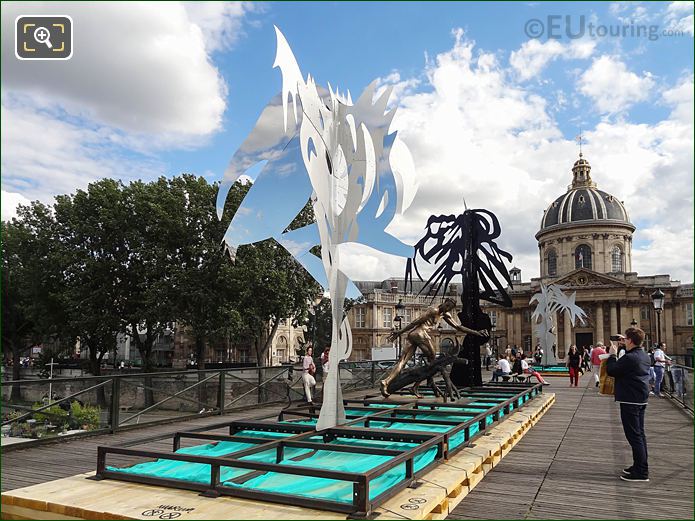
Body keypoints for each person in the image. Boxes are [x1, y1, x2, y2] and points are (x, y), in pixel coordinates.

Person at [380, 298, 487, 397]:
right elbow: (415, 322)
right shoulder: (433, 310)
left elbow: (459, 327)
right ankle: (417, 386)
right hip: (420, 334)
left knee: (403, 361)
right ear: (444, 302)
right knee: (434, 362)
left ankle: (386, 382)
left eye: (450, 308)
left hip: (415, 335)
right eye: (447, 305)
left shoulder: (445, 315)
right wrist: (400, 332)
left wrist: (476, 332)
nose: (447, 308)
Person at [606, 327, 650, 482]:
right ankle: (639, 465)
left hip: (630, 400)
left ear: (630, 340)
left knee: (634, 435)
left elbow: (612, 370)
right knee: (639, 434)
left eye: (625, 338)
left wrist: (612, 354)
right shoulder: (643, 355)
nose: (623, 340)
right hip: (640, 398)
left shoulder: (630, 358)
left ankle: (641, 472)